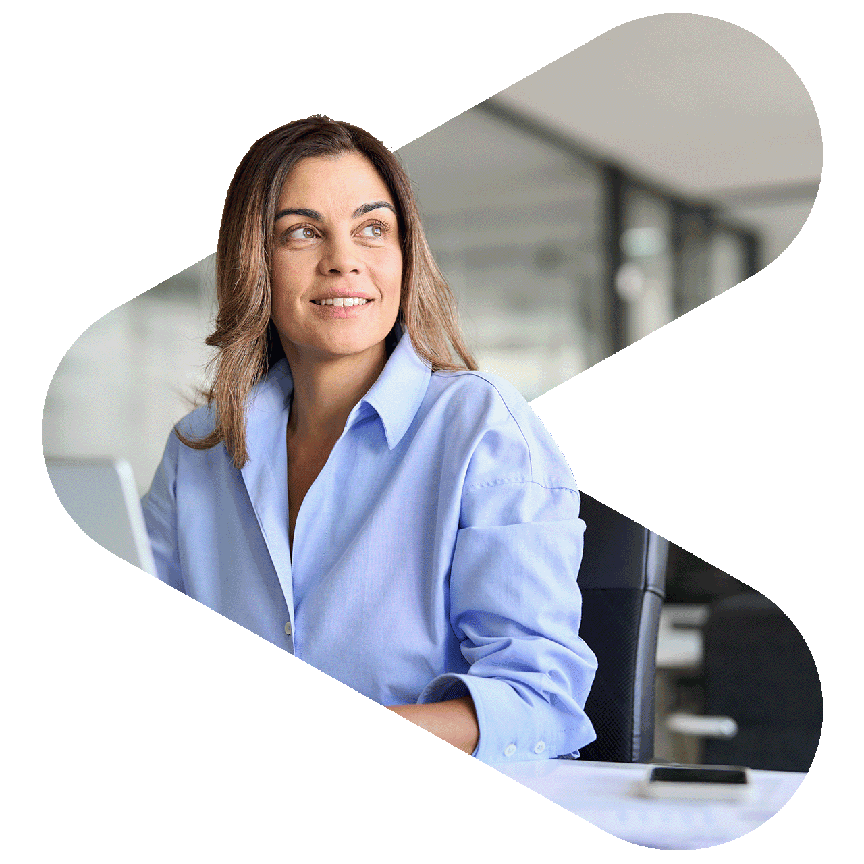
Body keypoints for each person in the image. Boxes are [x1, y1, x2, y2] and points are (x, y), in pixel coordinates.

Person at [141, 116, 597, 763]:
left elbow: (538, 701)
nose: (343, 260)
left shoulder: (480, 427)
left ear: (405, 256)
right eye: (302, 232)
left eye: (372, 229)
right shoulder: (199, 448)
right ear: (254, 260)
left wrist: (329, 745)